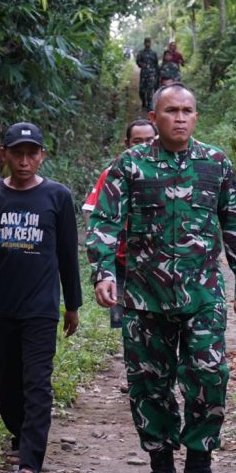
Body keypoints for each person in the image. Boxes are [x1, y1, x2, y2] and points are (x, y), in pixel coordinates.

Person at [86, 83, 236, 473]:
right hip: (145, 298)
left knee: (209, 375)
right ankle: (161, 468)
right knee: (149, 385)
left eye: (187, 111)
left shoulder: (215, 163)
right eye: (171, 111)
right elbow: (105, 222)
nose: (179, 118)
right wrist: (105, 272)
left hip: (203, 296)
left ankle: (199, 468)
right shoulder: (130, 165)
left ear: (196, 116)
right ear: (154, 118)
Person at [0, 121, 82, 473]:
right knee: (7, 383)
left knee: (37, 382)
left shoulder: (57, 197)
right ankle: (18, 432)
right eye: (17, 153)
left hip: (41, 307)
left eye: (31, 153)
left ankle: (30, 462)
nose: (24, 161)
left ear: (42, 156)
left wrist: (72, 304)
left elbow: (67, 254)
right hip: (1, 306)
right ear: (4, 155)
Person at [82, 119, 158, 330]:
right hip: (121, 261)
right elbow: (90, 211)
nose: (143, 145)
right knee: (126, 321)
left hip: (156, 263)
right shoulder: (113, 172)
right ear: (127, 143)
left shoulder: (169, 171)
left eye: (149, 140)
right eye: (137, 141)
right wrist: (106, 244)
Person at [136, 38, 160, 112]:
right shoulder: (141, 53)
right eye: (146, 43)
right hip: (144, 74)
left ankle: (149, 105)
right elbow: (137, 61)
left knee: (150, 90)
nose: (148, 44)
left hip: (152, 74)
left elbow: (156, 64)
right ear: (144, 43)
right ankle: (143, 101)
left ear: (150, 43)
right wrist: (141, 64)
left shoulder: (154, 53)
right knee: (142, 90)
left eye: (149, 42)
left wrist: (157, 74)